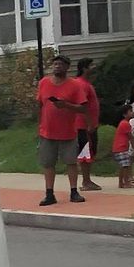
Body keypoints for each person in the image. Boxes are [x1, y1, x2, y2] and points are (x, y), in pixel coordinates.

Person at [36, 55, 89, 206]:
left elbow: (83, 107)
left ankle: (73, 191)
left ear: (67, 67)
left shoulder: (74, 85)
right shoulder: (44, 83)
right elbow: (40, 104)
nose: (57, 66)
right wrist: (39, 125)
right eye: (55, 64)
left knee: (71, 162)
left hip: (68, 132)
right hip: (47, 132)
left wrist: (66, 105)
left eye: (60, 64)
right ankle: (49, 193)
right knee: (48, 163)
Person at [73, 58, 101, 191]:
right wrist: (89, 124)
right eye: (91, 65)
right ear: (84, 68)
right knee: (85, 153)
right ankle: (86, 181)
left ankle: (87, 180)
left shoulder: (85, 83)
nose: (93, 67)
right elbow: (82, 105)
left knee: (90, 152)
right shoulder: (81, 84)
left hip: (89, 124)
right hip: (83, 126)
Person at [113, 107, 134, 189]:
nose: (133, 112)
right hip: (121, 148)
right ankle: (126, 182)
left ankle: (121, 183)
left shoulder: (124, 123)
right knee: (126, 166)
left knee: (123, 166)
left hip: (119, 148)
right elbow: (131, 137)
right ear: (125, 114)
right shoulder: (125, 124)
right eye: (131, 111)